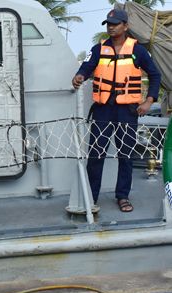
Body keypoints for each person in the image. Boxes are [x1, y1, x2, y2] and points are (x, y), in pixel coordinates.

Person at [72, 9, 161, 212]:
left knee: (126, 155)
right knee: (96, 154)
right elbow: (86, 67)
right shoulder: (97, 49)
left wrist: (149, 101)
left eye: (115, 23)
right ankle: (91, 196)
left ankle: (123, 196)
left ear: (125, 26)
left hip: (127, 112)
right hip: (103, 110)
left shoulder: (138, 51)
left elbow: (155, 75)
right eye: (108, 24)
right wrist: (79, 76)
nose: (111, 27)